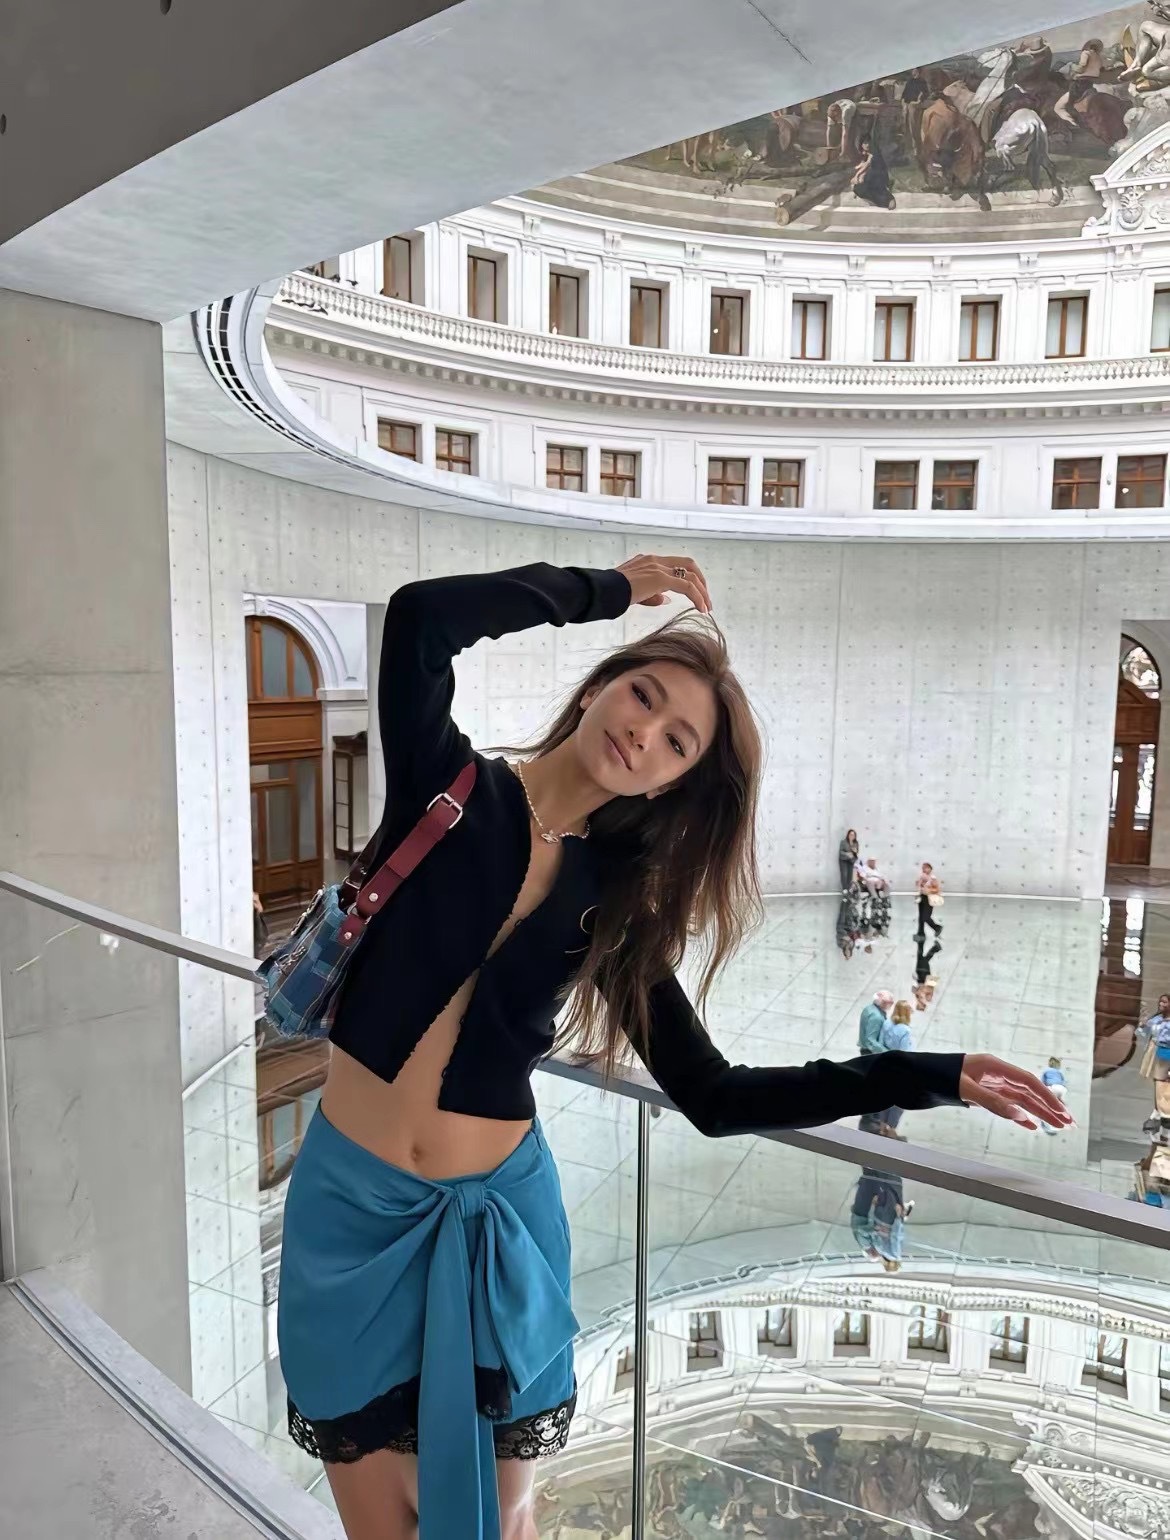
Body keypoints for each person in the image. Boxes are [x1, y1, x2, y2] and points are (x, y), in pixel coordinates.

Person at [275, 555, 1070, 1540]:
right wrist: (608, 589)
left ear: (676, 781)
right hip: (351, 1213)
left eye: (676, 741)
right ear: (600, 687)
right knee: (382, 1524)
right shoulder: (452, 789)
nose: (643, 733)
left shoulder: (610, 901)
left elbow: (716, 1092)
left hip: (503, 1231)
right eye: (642, 695)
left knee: (503, 1521)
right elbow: (420, 617)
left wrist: (933, 1073)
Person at [861, 999, 914, 1139]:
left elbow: (880, 1042)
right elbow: (905, 1052)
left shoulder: (887, 1024)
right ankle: (891, 1128)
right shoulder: (905, 1030)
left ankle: (882, 1126)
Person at [858, 990, 894, 1055]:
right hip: (870, 1052)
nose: (891, 1004)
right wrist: (888, 1053)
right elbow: (871, 1041)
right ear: (882, 1003)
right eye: (890, 1002)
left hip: (866, 1049)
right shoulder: (876, 1017)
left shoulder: (869, 1008)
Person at [915, 861, 942, 940]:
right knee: (921, 917)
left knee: (926, 917)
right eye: (923, 868)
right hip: (922, 897)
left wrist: (929, 889)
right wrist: (919, 883)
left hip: (929, 898)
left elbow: (937, 889)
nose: (924, 869)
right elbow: (918, 886)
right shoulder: (922, 876)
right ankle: (920, 933)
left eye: (925, 868)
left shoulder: (932, 878)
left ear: (930, 868)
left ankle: (937, 927)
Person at [1040, 1056, 1067, 1135]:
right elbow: (1063, 1081)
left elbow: (1042, 1083)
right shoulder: (1059, 1072)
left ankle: (1048, 1124)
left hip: (1052, 1088)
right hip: (1061, 1089)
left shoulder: (1046, 1071)